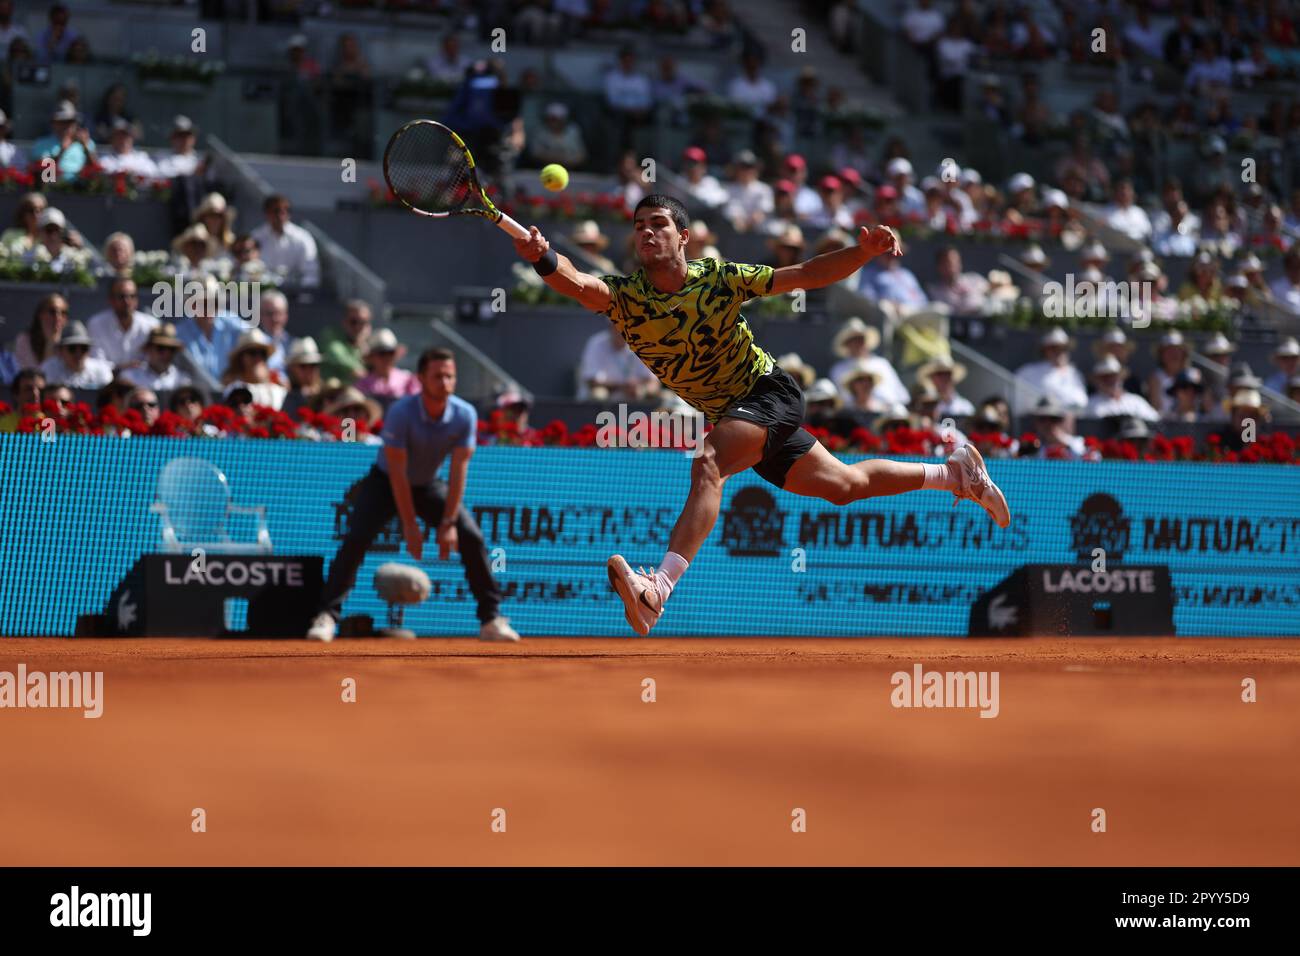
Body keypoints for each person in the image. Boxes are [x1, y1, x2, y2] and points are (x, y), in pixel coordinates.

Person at [512, 194, 1010, 635]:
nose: (647, 231)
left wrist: (863, 252)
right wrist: (544, 258)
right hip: (734, 414)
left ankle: (658, 589)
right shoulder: (626, 298)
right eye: (640, 224)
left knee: (709, 462)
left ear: (683, 237)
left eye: (659, 223)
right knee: (844, 487)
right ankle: (953, 475)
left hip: (767, 393)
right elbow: (578, 283)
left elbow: (807, 275)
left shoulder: (719, 278)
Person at [307, 347, 518, 644]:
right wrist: (410, 525)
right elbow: (397, 472)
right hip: (386, 482)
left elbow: (458, 470)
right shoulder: (401, 413)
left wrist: (447, 524)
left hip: (430, 484)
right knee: (356, 538)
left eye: (450, 376)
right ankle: (327, 616)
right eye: (437, 376)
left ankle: (491, 619)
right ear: (420, 378)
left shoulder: (464, 415)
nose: (445, 382)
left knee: (470, 536)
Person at [86, 277, 158, 369]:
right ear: (110, 300)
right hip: (107, 381)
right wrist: (121, 368)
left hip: (141, 382)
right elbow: (96, 363)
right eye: (122, 296)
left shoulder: (151, 325)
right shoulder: (96, 324)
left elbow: (155, 362)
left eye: (132, 296)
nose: (127, 301)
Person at [250, 194, 320, 288]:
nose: (282, 215)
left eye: (287, 210)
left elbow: (311, 274)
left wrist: (302, 297)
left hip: (294, 294)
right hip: (262, 293)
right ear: (267, 213)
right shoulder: (255, 237)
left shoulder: (303, 238)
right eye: (277, 211)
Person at [40, 321, 113, 389]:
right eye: (72, 348)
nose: (78, 354)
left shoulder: (101, 371)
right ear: (60, 351)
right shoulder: (48, 370)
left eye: (84, 348)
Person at [123, 323, 190, 392]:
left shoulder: (182, 380)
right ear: (148, 349)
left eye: (171, 349)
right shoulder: (130, 377)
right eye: (161, 348)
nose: (167, 354)